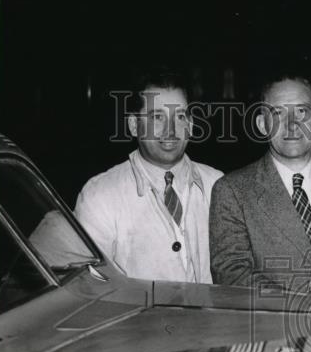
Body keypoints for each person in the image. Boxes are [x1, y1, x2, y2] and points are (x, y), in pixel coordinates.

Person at [209, 75, 311, 293]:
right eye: (277, 113)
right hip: (272, 324)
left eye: (302, 111)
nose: (292, 124)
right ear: (261, 124)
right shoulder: (232, 191)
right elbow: (231, 274)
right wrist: (303, 304)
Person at [75, 69, 222, 282]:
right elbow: (88, 287)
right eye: (157, 117)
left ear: (190, 125)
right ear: (134, 125)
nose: (170, 129)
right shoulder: (99, 196)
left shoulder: (218, 185)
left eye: (180, 116)